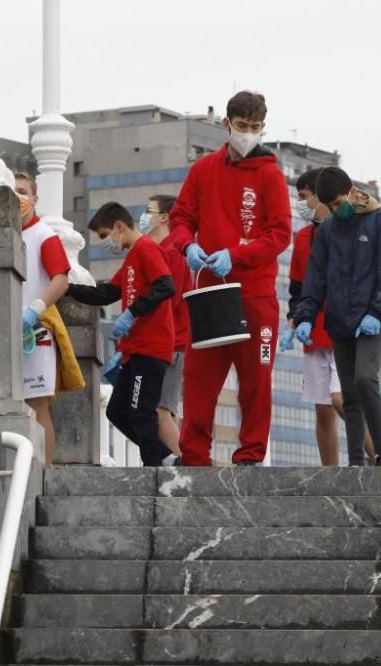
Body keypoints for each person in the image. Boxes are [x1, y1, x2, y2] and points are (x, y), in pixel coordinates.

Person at [169, 90, 292, 466]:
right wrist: (187, 246)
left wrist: (236, 255)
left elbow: (279, 234)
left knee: (257, 380)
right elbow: (180, 218)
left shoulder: (271, 175)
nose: (248, 133)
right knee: (199, 378)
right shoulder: (203, 170)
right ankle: (193, 457)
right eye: (242, 126)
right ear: (227, 124)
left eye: (255, 128)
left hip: (255, 295)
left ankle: (251, 456)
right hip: (209, 291)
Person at [294, 167, 381, 467]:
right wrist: (305, 316)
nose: (336, 210)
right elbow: (314, 280)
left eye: (339, 203)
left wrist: (379, 311)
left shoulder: (380, 222)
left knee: (366, 378)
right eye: (330, 207)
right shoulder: (327, 230)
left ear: (352, 193)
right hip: (339, 322)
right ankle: (356, 460)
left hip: (371, 319)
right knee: (349, 393)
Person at [67, 202, 179, 467]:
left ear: (119, 226)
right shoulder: (132, 258)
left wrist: (132, 313)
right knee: (117, 411)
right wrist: (67, 288)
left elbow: (166, 285)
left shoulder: (147, 249)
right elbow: (106, 293)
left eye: (106, 235)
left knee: (141, 412)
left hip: (151, 347)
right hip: (134, 351)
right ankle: (166, 459)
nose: (106, 243)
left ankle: (154, 469)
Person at [281, 169, 375, 466]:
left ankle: (378, 458)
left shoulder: (350, 231)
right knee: (322, 409)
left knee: (340, 399)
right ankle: (330, 472)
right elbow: (297, 285)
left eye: (304, 197)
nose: (301, 204)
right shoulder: (304, 237)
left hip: (344, 328)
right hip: (314, 330)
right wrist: (294, 318)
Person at [16, 171, 71, 467]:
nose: (18, 197)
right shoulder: (7, 234)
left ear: (35, 199)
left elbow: (61, 279)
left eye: (23, 191)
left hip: (36, 332)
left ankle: (46, 470)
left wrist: (34, 309)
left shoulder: (45, 235)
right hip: (6, 332)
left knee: (37, 405)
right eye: (12, 191)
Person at [139, 194, 190, 456]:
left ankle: (185, 464)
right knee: (164, 409)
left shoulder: (173, 254)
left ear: (164, 217)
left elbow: (171, 299)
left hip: (170, 342)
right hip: (164, 341)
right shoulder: (161, 250)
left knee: (160, 409)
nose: (144, 215)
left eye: (149, 210)